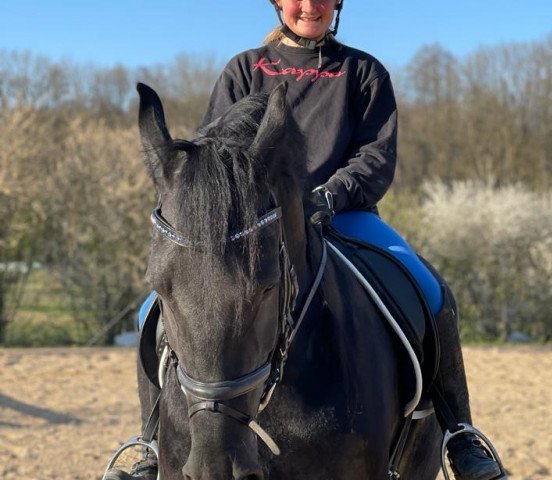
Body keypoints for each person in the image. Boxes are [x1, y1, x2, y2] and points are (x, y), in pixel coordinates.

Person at [107, 1, 503, 479]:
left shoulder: (363, 72)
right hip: (254, 225)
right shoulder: (243, 70)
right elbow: (214, 155)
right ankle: (148, 441)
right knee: (155, 304)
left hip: (345, 216)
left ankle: (461, 434)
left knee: (432, 290)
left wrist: (329, 196)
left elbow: (376, 156)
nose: (309, 5)